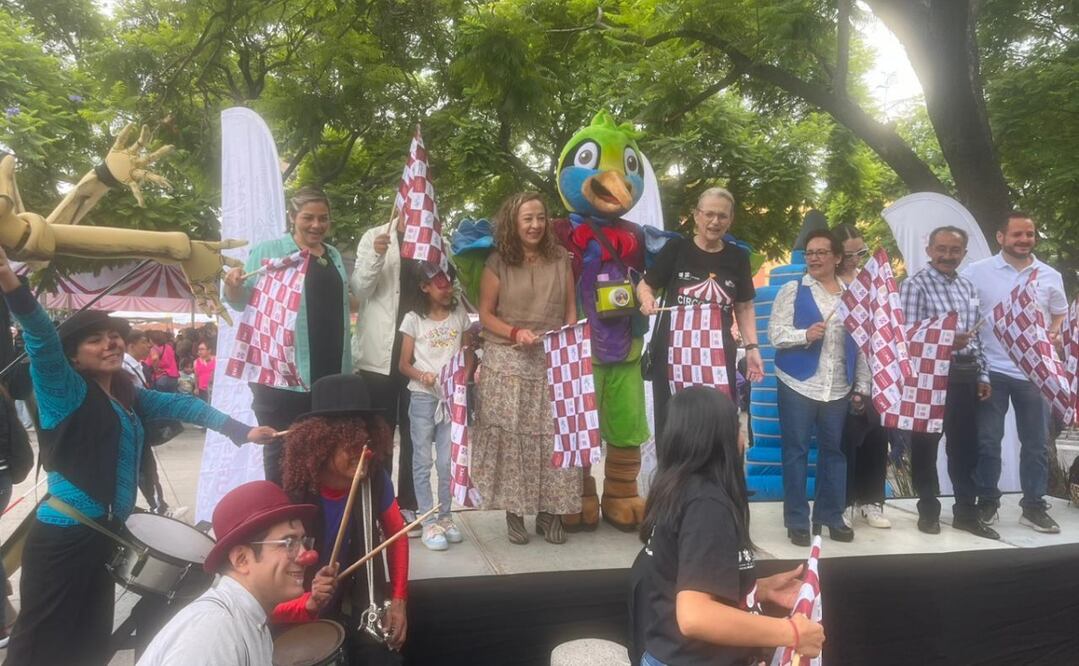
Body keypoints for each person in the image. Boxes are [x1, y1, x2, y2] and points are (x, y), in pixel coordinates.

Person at [0, 243, 277, 666]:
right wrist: (9, 282)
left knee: (91, 644)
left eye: (115, 336)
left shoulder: (130, 395)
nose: (110, 343)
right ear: (73, 354)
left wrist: (242, 430)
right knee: (40, 647)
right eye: (96, 339)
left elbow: (187, 406)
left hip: (104, 537)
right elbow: (39, 336)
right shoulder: (63, 391)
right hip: (63, 538)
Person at [633, 387, 824, 666]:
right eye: (737, 428)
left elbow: (688, 581)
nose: (743, 439)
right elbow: (695, 616)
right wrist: (791, 632)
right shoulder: (707, 504)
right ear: (716, 438)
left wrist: (759, 589)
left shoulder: (680, 490)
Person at [224, 186, 353, 485]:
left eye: (323, 218)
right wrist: (232, 285)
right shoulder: (270, 252)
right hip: (281, 375)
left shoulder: (332, 255)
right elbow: (240, 299)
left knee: (322, 451)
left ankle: (315, 521)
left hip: (330, 373)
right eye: (308, 217)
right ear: (292, 217)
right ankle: (285, 523)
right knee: (282, 452)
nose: (316, 225)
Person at [277, 374, 409, 662]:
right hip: (299, 615)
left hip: (356, 604)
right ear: (321, 445)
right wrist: (307, 603)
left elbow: (397, 536)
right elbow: (264, 597)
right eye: (351, 440)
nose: (364, 450)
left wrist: (398, 601)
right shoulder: (290, 494)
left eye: (367, 438)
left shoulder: (374, 478)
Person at [474, 192, 581, 545]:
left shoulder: (561, 259)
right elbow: (486, 314)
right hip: (507, 357)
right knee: (512, 438)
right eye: (527, 219)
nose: (535, 225)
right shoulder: (497, 262)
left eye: (540, 217)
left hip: (552, 357)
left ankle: (550, 513)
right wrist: (515, 333)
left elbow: (570, 310)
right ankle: (515, 512)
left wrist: (566, 348)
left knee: (556, 436)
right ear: (513, 223)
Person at [137, 480, 335, 665]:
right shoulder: (214, 633)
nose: (305, 555)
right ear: (241, 560)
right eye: (289, 543)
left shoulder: (250, 621)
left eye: (303, 541)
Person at [961, 211, 1067, 533]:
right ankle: (988, 501)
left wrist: (1056, 332)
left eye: (1030, 234)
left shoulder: (1049, 275)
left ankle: (1033, 506)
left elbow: (1060, 314)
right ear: (1001, 237)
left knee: (1036, 443)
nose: (1024, 240)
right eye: (1017, 234)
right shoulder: (976, 272)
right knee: (988, 441)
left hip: (1035, 373)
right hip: (990, 369)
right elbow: (964, 313)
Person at [769, 229, 868, 546]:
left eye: (821, 252)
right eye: (810, 253)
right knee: (796, 451)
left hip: (837, 385)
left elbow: (864, 344)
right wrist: (804, 335)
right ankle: (797, 520)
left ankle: (831, 516)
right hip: (798, 381)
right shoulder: (793, 289)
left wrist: (862, 385)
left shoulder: (853, 295)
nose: (814, 258)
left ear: (838, 257)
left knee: (834, 452)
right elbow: (776, 335)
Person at [638, 187, 763, 437]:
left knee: (715, 427)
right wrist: (647, 299)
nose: (715, 221)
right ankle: (672, 477)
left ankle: (711, 477)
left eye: (722, 216)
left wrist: (752, 348)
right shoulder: (676, 249)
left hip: (717, 356)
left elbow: (744, 306)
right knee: (672, 428)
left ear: (731, 220)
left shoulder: (738, 257)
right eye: (709, 214)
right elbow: (646, 284)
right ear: (696, 215)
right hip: (671, 355)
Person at [901, 226, 998, 539]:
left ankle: (966, 513)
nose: (947, 256)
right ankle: (928, 511)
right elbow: (907, 335)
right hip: (928, 375)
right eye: (941, 249)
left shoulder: (968, 287)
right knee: (925, 447)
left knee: (965, 448)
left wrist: (982, 374)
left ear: (963, 254)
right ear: (929, 249)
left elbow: (977, 336)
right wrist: (944, 341)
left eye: (954, 251)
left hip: (965, 376)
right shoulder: (914, 285)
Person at [351, 210, 421, 526]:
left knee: (415, 433)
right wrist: (376, 257)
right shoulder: (374, 236)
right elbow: (360, 290)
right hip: (377, 356)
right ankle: (379, 505)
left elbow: (448, 292)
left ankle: (408, 503)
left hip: (421, 358)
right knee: (379, 433)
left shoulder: (434, 240)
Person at [399, 263, 471, 551]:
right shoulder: (413, 319)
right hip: (422, 398)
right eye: (439, 283)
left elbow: (467, 355)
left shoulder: (459, 316)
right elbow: (403, 364)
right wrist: (423, 376)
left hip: (452, 399)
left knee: (446, 462)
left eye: (449, 282)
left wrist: (464, 376)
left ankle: (445, 515)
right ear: (424, 287)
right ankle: (427, 519)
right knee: (422, 461)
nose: (447, 288)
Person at [832, 224, 890, 530]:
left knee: (877, 438)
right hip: (843, 375)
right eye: (849, 253)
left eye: (861, 253)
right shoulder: (831, 286)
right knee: (845, 442)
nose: (855, 260)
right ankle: (843, 503)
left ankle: (872, 501)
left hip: (876, 372)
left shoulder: (871, 285)